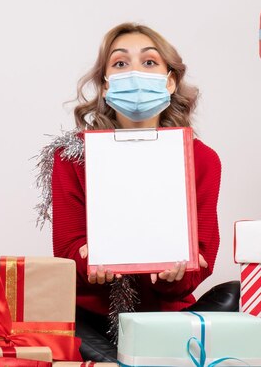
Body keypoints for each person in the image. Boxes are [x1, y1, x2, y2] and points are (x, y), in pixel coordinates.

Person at [36, 23, 238, 362]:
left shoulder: (202, 159)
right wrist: (94, 261)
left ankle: (128, 358)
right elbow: (67, 249)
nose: (134, 73)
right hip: (91, 319)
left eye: (148, 63)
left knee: (236, 294)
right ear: (105, 84)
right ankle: (134, 359)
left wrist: (172, 277)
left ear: (170, 81)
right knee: (47, 312)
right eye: (119, 64)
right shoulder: (72, 156)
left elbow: (201, 259)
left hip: (166, 318)